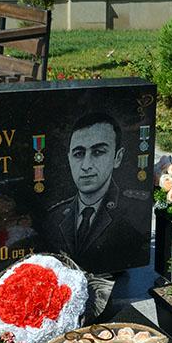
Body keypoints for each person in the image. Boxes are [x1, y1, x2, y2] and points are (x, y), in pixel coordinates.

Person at [43, 112, 151, 271]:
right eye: (79, 154)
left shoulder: (136, 212)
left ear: (117, 157)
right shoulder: (55, 216)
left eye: (98, 152)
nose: (86, 165)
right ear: (69, 158)